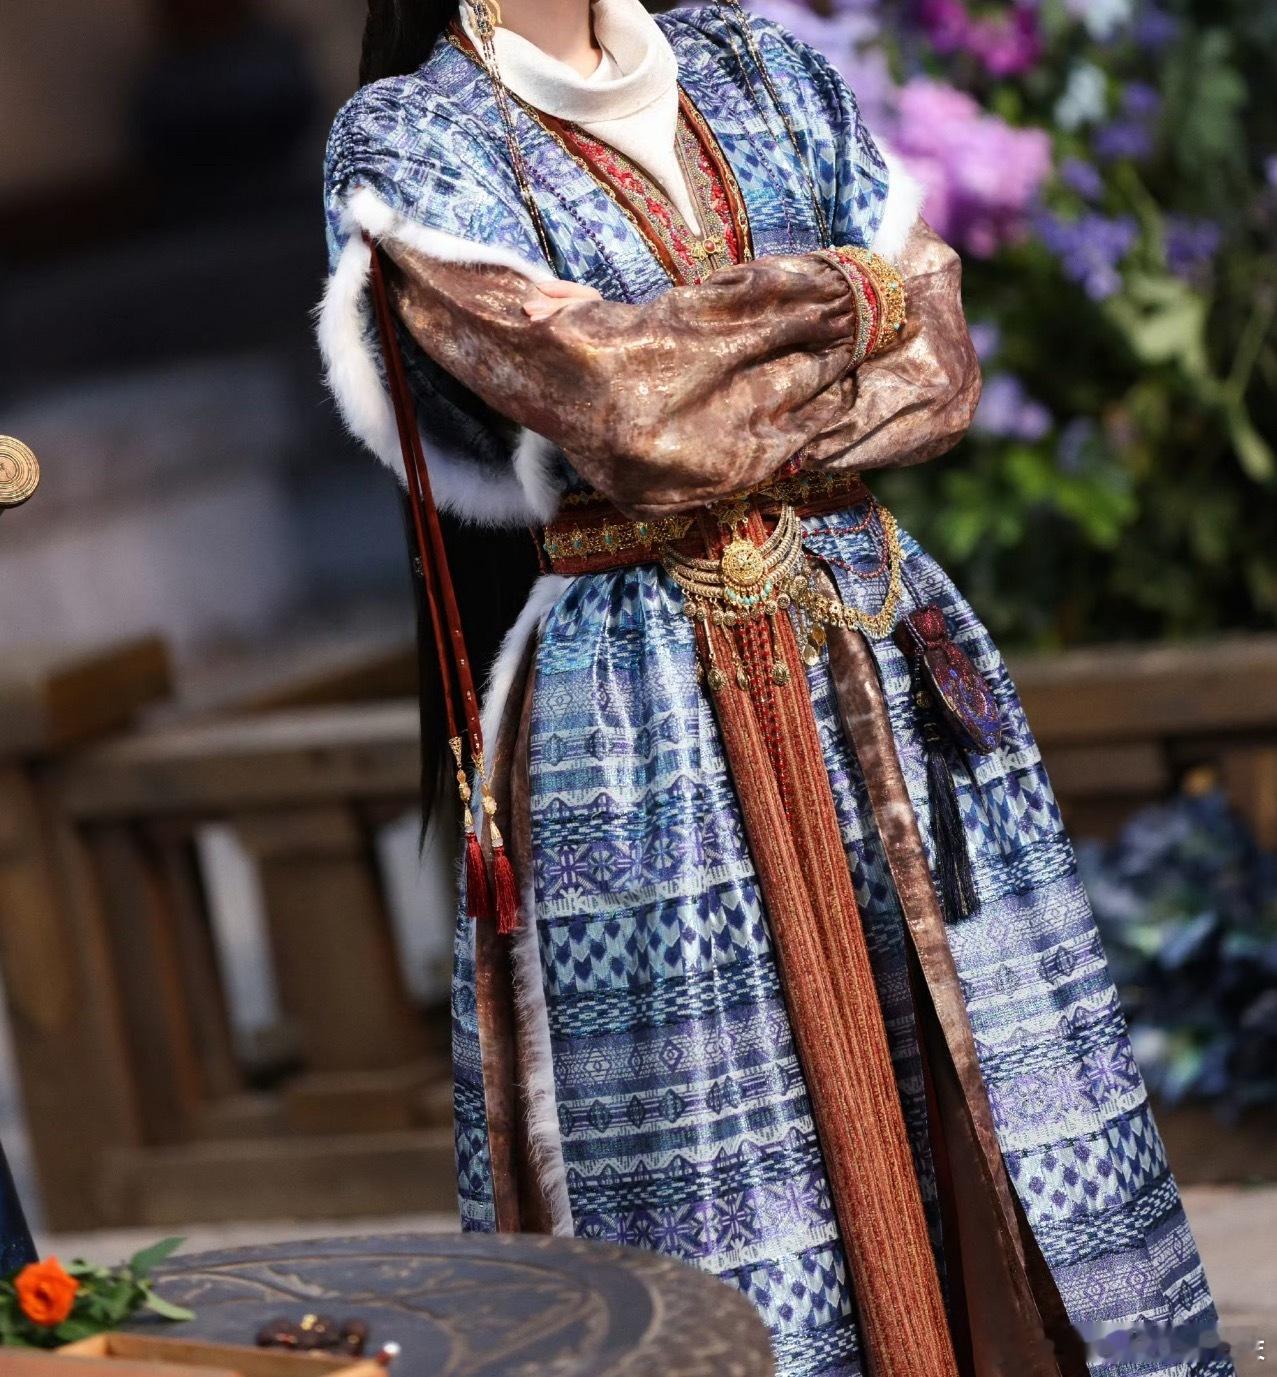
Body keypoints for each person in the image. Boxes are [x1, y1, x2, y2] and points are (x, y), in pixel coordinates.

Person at [320, 3, 1233, 1373]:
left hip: (875, 623)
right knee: (722, 1152)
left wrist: (724, 348)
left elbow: (939, 367)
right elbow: (634, 416)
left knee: (996, 1077)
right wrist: (851, 300)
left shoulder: (762, 66)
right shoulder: (414, 138)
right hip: (633, 692)